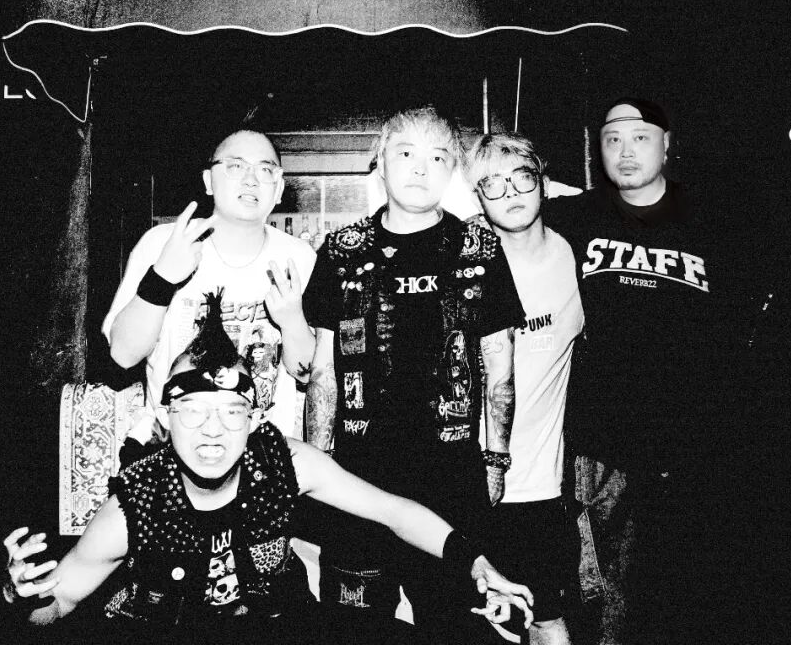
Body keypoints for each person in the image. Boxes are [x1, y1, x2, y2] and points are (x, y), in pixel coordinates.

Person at [3, 290, 533, 644]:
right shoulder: (135, 505)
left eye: (230, 412)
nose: (212, 430)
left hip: (280, 626)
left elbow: (394, 512)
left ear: (255, 419)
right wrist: (18, 594)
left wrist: (476, 563)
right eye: (193, 411)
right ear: (165, 418)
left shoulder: (285, 463)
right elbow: (59, 602)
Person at [301, 106, 526, 643]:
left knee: (456, 624)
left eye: (438, 156)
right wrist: (316, 464)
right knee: (353, 626)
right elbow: (324, 370)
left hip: (451, 476)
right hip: (358, 475)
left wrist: (495, 461)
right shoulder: (341, 250)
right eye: (406, 153)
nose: (421, 168)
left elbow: (500, 366)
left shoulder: (480, 248)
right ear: (380, 162)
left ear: (452, 172)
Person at [544, 97, 732, 644]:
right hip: (602, 452)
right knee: (609, 608)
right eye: (613, 139)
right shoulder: (573, 218)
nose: (625, 151)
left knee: (689, 600)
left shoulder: (715, 223)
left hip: (693, 451)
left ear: (666, 144)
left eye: (640, 137)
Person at [102, 127, 317, 447]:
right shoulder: (163, 243)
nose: (251, 179)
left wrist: (293, 321)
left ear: (279, 188)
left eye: (265, 169)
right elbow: (122, 355)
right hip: (174, 446)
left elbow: (307, 373)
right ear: (208, 181)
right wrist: (162, 279)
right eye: (235, 166)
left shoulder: (298, 257)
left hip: (262, 450)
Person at [462, 133, 585, 645]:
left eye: (522, 177)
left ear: (544, 182)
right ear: (478, 198)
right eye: (492, 184)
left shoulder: (576, 257)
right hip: (462, 484)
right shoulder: (462, 265)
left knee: (548, 621)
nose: (510, 192)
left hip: (539, 485)